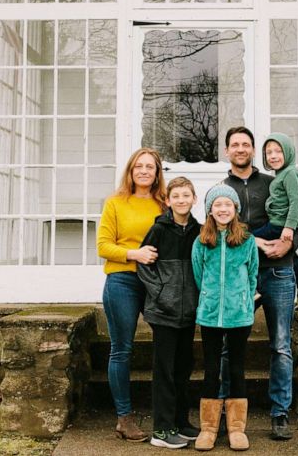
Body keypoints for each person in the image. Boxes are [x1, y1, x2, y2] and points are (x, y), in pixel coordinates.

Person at [222, 126, 298, 441]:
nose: (241, 149)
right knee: (229, 346)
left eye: (246, 144)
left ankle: (279, 414)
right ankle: (229, 414)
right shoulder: (223, 191)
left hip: (278, 274)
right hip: (239, 278)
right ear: (227, 151)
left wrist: (289, 244)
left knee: (281, 346)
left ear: (252, 150)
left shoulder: (275, 182)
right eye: (235, 144)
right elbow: (219, 232)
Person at [96, 147, 167, 442]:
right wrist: (134, 253)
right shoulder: (115, 203)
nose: (144, 171)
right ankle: (124, 418)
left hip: (157, 284)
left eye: (150, 167)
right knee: (121, 349)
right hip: (122, 281)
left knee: (167, 346)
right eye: (139, 166)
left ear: (157, 173)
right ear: (130, 170)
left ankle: (168, 413)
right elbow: (103, 246)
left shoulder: (164, 205)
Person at [137, 177, 202, 449]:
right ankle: (161, 431)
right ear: (168, 200)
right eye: (176, 196)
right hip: (163, 311)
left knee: (183, 368)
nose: (181, 200)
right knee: (164, 370)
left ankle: (181, 422)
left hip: (188, 312)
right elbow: (144, 266)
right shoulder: (159, 229)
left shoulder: (199, 231)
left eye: (186, 195)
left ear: (194, 199)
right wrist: (161, 293)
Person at [191, 185, 258, 452]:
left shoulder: (247, 240)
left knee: (236, 368)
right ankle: (208, 428)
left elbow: (252, 275)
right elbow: (198, 276)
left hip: (239, 315)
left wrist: (243, 300)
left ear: (235, 209)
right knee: (210, 368)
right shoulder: (201, 241)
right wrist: (209, 297)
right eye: (217, 205)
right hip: (209, 315)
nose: (222, 209)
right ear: (210, 210)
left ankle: (236, 429)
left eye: (227, 205)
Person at [254, 133, 298, 310]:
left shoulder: (290, 173)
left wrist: (289, 227)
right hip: (280, 223)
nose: (273, 156)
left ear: (288, 152)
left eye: (278, 151)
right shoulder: (280, 175)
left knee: (248, 241)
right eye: (268, 152)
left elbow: (296, 202)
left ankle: (253, 287)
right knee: (291, 255)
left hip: (279, 224)